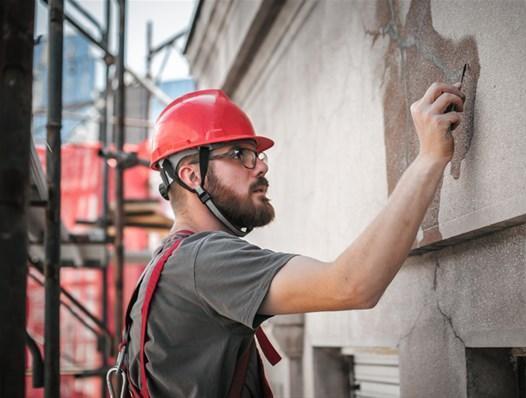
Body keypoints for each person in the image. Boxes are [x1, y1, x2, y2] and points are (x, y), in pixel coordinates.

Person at [121, 83, 464, 397]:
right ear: (192, 175)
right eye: (239, 154)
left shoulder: (167, 264)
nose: (260, 167)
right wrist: (429, 158)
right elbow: (352, 285)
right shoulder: (205, 260)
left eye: (256, 154)